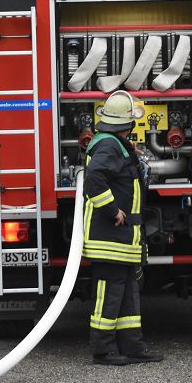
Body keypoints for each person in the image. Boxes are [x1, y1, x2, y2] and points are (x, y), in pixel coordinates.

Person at [82, 90, 162, 366]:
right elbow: (94, 179)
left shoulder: (115, 143)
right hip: (110, 238)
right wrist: (112, 209)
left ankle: (133, 346)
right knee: (109, 292)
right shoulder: (108, 145)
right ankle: (102, 350)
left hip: (122, 238)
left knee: (127, 292)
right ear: (127, 123)